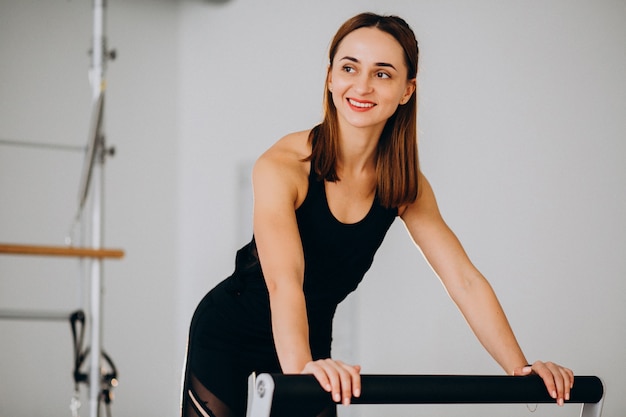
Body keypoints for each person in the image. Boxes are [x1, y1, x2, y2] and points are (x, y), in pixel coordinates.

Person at [181, 12, 574, 417]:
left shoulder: (404, 184)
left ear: (407, 89)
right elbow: (284, 283)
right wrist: (301, 371)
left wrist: (521, 368)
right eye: (349, 67)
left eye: (383, 74)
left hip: (312, 336)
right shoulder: (283, 165)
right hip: (230, 329)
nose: (362, 85)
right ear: (331, 77)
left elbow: (464, 280)